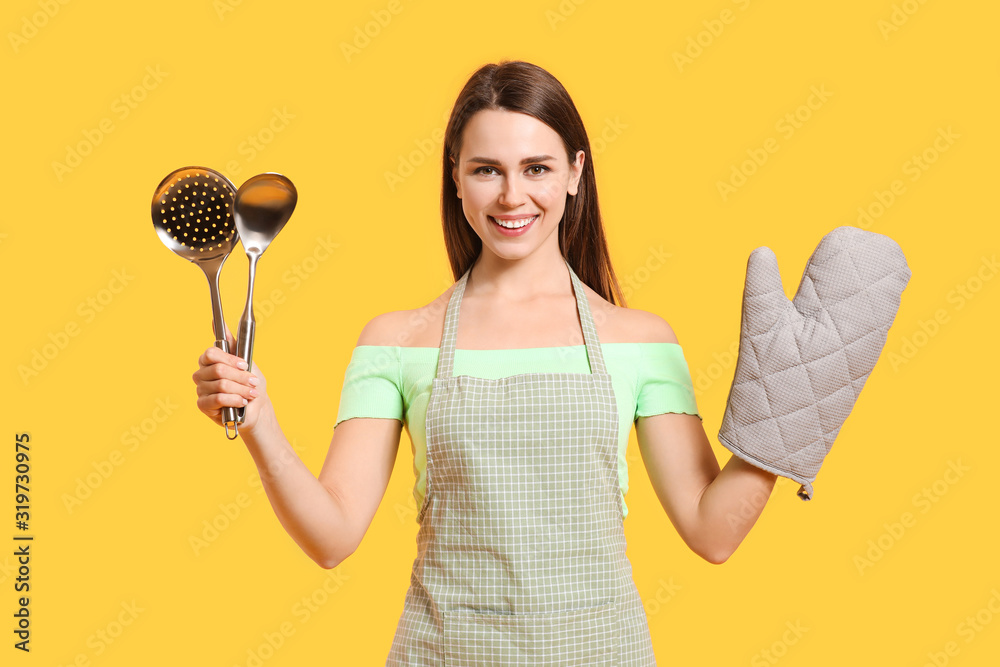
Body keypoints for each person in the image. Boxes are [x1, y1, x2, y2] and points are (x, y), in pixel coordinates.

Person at [192, 60, 779, 665]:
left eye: (537, 168)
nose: (511, 195)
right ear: (456, 177)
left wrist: (789, 422)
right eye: (486, 170)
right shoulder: (396, 342)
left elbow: (713, 534)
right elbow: (331, 538)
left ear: (576, 172)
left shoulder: (641, 340)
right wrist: (258, 423)